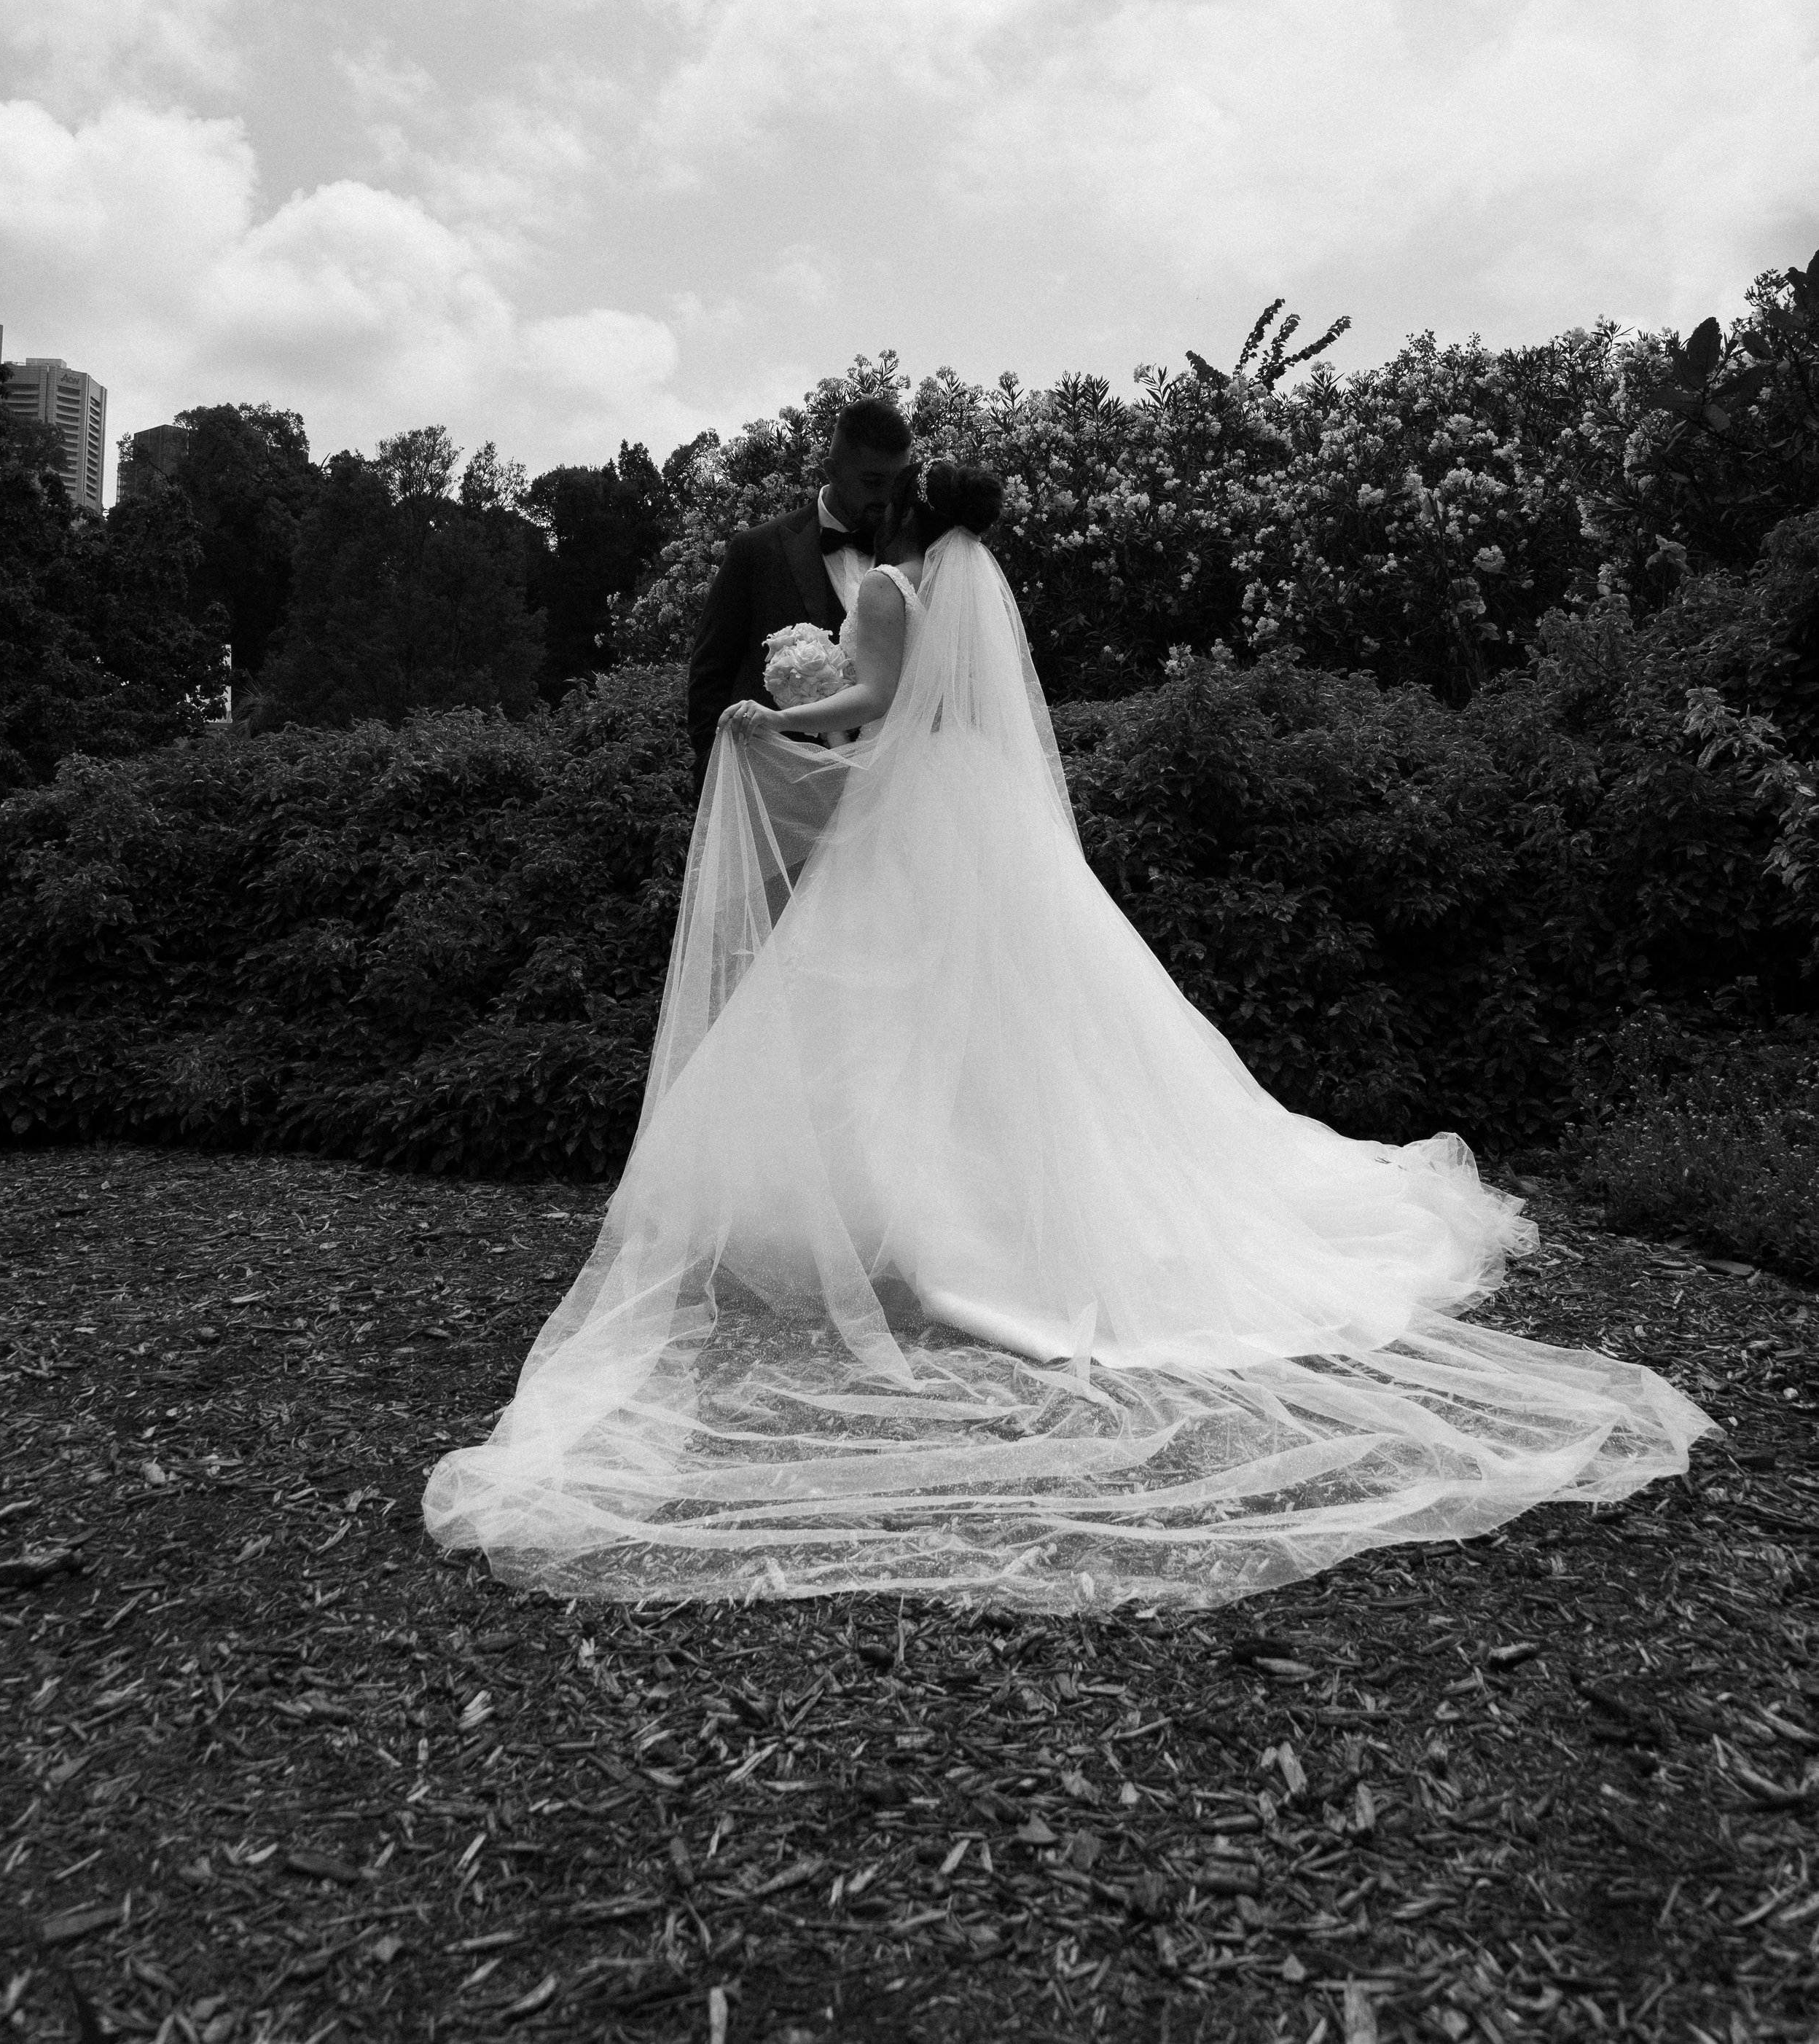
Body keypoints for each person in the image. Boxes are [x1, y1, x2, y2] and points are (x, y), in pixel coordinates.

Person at [424, 458, 1713, 1610]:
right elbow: (938, 710)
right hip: (976, 809)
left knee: (893, 1012)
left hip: (913, 813)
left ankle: (926, 1227)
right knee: (990, 1017)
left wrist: (774, 718)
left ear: (913, 524)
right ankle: (956, 1210)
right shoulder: (976, 588)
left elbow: (876, 694)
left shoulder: (894, 592)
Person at [684, 396, 914, 792]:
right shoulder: (756, 551)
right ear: (831, 470)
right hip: (777, 793)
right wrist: (719, 781)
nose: (888, 497)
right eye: (873, 482)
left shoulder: (915, 558)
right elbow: (709, 677)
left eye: (899, 482)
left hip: (891, 796)